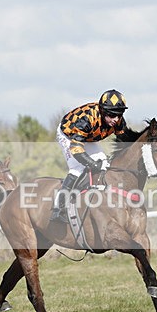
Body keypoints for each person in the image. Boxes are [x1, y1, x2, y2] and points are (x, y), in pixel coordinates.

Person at [51, 89, 128, 222]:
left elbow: (125, 142)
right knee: (77, 169)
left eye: (119, 114)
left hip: (87, 137)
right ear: (103, 111)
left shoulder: (118, 121)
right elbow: (76, 149)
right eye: (111, 115)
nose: (115, 119)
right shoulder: (86, 119)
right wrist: (92, 164)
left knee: (104, 163)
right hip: (69, 136)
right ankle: (58, 209)